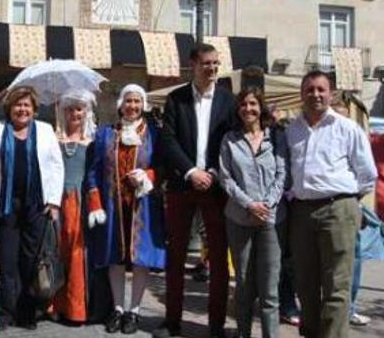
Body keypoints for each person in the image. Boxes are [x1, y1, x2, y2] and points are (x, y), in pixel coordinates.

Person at [286, 70, 377, 338]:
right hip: (301, 212)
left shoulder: (347, 128)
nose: (315, 94)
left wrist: (347, 203)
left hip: (339, 209)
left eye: (321, 89)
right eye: (310, 89)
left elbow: (367, 174)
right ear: (302, 94)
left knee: (337, 285)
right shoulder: (292, 130)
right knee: (305, 284)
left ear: (331, 93)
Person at [154, 43, 235, 338]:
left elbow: (232, 139)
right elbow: (168, 141)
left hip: (215, 188)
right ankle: (172, 322)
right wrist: (191, 172)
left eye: (216, 63)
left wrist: (213, 172)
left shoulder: (228, 100)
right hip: (181, 185)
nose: (212, 68)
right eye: (206, 63)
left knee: (217, 257)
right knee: (175, 255)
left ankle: (216, 325)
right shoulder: (176, 99)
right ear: (193, 65)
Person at [0, 85, 64, 330]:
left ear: (34, 110)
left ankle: (27, 310)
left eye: (27, 105)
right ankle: (5, 311)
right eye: (18, 105)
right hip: (5, 204)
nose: (22, 109)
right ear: (9, 108)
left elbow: (57, 166)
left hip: (37, 204)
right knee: (7, 260)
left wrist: (54, 201)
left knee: (30, 260)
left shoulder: (46, 131)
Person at [86, 84, 166, 334]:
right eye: (128, 101)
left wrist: (148, 175)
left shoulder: (154, 133)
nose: (132, 106)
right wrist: (95, 202)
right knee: (115, 259)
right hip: (113, 205)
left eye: (137, 101)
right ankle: (118, 309)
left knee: (141, 260)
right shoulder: (105, 134)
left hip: (143, 205)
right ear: (121, 104)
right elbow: (93, 171)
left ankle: (135, 311)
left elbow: (163, 166)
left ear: (143, 105)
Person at [217, 87, 287, 338]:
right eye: (244, 104)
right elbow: (226, 179)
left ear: (261, 107)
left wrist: (266, 205)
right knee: (244, 284)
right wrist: (250, 205)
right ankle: (243, 333)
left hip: (272, 219)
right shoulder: (229, 140)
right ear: (238, 109)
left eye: (253, 104)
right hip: (239, 218)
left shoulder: (277, 137)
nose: (248, 109)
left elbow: (282, 174)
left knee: (269, 288)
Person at [53, 89, 98, 324]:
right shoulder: (54, 141)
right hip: (57, 202)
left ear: (86, 112)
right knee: (56, 253)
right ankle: (56, 305)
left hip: (79, 203)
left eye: (78, 109)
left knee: (77, 254)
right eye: (69, 109)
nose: (74, 113)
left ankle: (76, 309)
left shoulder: (92, 143)